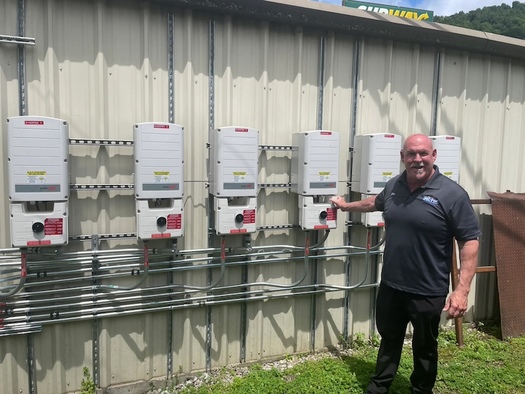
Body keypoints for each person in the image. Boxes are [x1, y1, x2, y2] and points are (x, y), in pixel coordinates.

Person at [330, 134, 480, 394]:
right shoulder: (394, 186)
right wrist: (345, 206)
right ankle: (379, 386)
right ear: (402, 157)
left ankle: (421, 389)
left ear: (433, 156)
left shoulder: (452, 194)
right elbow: (374, 203)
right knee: (389, 339)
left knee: (425, 347)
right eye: (411, 154)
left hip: (427, 288)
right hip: (391, 284)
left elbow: (470, 241)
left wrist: (462, 290)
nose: (417, 159)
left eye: (423, 153)